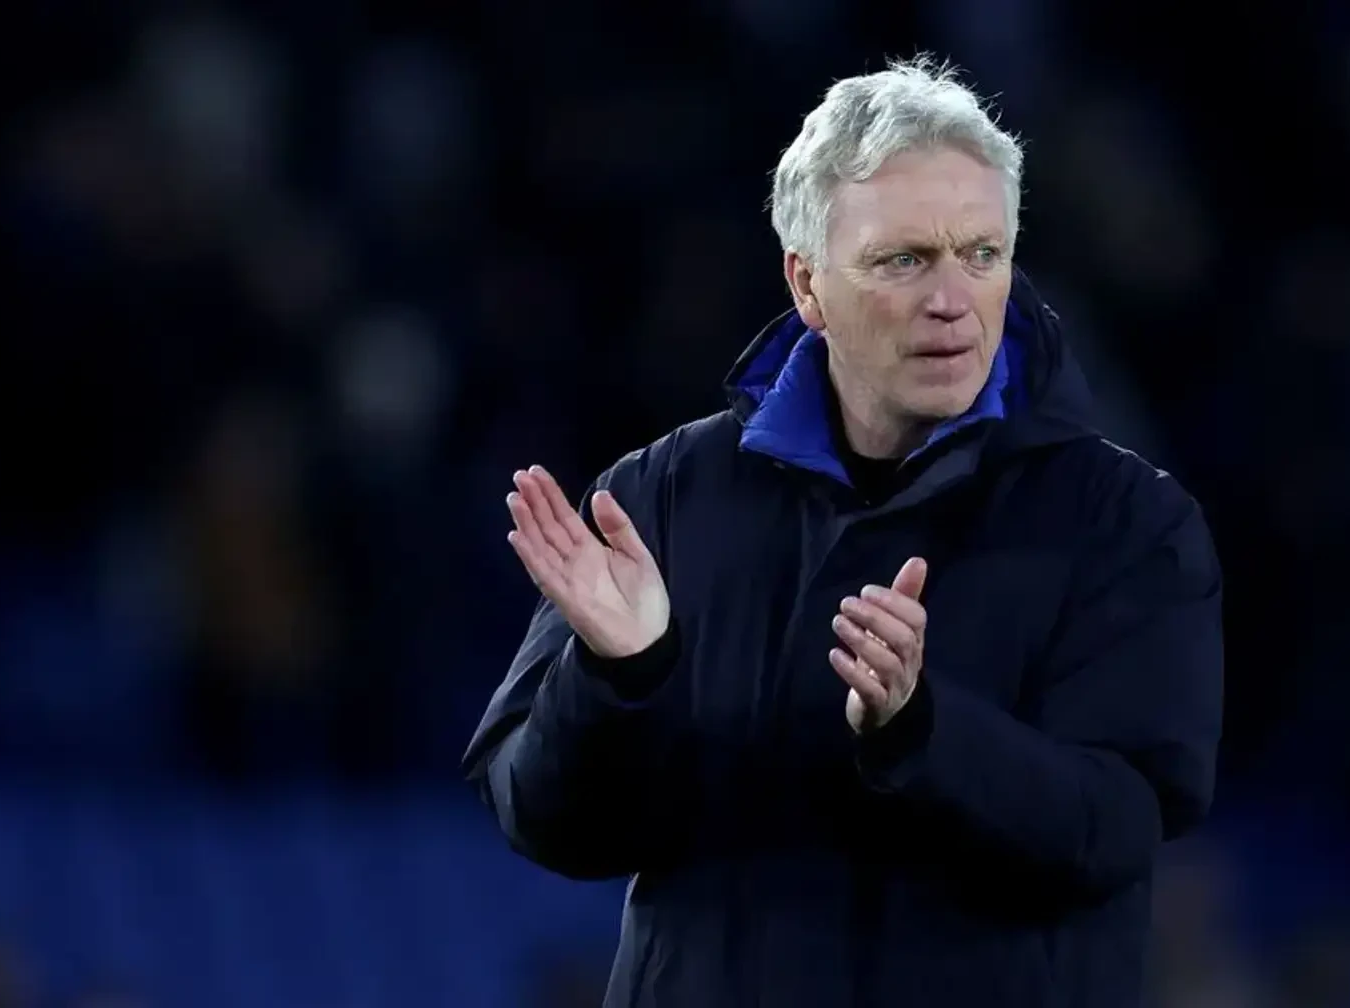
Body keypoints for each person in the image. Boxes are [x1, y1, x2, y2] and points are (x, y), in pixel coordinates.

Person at [462, 57, 1225, 1007]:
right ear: (808, 284)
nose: (952, 298)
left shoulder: (1127, 525)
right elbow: (544, 822)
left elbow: (1115, 832)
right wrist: (620, 677)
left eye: (981, 254)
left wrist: (921, 731)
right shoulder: (661, 499)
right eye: (904, 260)